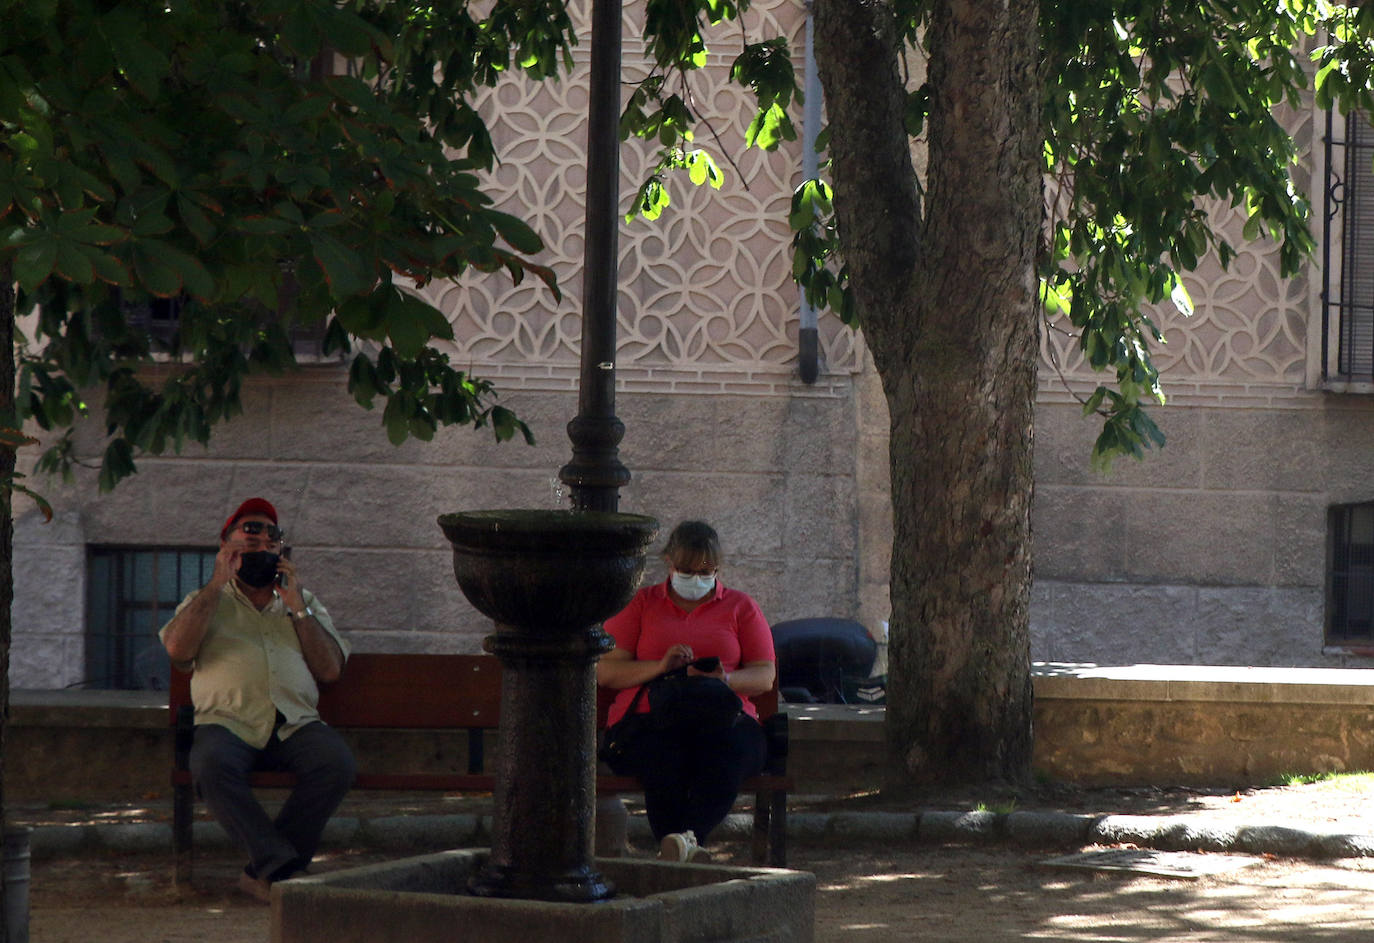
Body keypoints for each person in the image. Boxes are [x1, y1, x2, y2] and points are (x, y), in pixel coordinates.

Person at [159, 497, 355, 903]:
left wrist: (298, 607)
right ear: (225, 545)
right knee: (210, 765)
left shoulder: (303, 603)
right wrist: (216, 583)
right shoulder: (205, 599)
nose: (263, 543)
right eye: (250, 535)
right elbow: (178, 650)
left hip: (294, 722)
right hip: (228, 722)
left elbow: (330, 670)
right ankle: (282, 869)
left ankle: (262, 871)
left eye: (271, 539)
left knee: (335, 763)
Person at [596, 520, 776, 862]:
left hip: (725, 718)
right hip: (649, 719)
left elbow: (764, 675)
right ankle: (686, 846)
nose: (696, 579)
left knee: (726, 756)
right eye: (686, 570)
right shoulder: (642, 604)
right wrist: (662, 667)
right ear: (668, 563)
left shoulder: (740, 607)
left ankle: (681, 844)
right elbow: (606, 671)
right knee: (663, 758)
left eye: (706, 571)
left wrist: (723, 681)